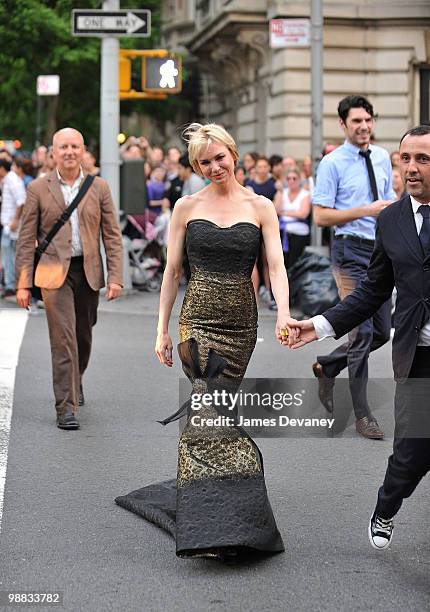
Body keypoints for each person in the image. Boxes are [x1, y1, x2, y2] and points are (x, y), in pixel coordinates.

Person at [115, 123, 297, 560]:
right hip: (196, 320)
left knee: (216, 413)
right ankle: (213, 522)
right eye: (203, 162)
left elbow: (276, 265)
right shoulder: (185, 206)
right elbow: (172, 272)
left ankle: (218, 505)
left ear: (233, 154)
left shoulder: (261, 207)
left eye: (219, 157)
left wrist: (285, 313)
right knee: (204, 413)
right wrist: (161, 329)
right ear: (195, 166)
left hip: (240, 324)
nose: (213, 167)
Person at [287, 125, 430, 550]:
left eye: (422, 159)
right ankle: (386, 507)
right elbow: (372, 290)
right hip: (418, 356)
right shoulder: (391, 219)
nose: (411, 168)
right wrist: (321, 325)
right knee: (412, 454)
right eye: (405, 159)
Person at [15, 128, 123, 430]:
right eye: (63, 147)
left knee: (83, 336)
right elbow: (26, 239)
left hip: (87, 271)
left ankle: (76, 378)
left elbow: (112, 235)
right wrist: (23, 283)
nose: (69, 152)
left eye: (75, 146)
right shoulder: (38, 187)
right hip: (53, 273)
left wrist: (115, 277)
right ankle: (65, 406)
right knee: (62, 339)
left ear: (84, 151)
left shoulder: (99, 186)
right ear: (53, 153)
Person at [311, 95, 396, 440]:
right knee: (360, 334)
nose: (363, 127)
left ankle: (328, 365)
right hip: (349, 251)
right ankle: (363, 416)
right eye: (356, 121)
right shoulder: (332, 163)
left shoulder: (383, 157)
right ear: (343, 125)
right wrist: (366, 210)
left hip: (380, 250)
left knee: (381, 332)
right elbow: (320, 215)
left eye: (368, 120)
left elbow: (387, 202)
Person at [274, 165, 311, 269]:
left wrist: (285, 213)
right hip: (283, 232)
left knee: (295, 264)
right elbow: (276, 210)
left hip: (299, 233)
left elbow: (303, 214)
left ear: (299, 179)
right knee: (282, 264)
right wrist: (280, 192)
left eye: (294, 178)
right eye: (288, 178)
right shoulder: (283, 193)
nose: (291, 181)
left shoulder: (305, 194)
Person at [0, 158, 26, 298]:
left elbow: (21, 201)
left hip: (12, 225)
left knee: (10, 254)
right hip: (9, 224)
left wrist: (15, 220)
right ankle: (11, 284)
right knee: (9, 254)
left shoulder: (11, 179)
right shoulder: (10, 179)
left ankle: (11, 285)